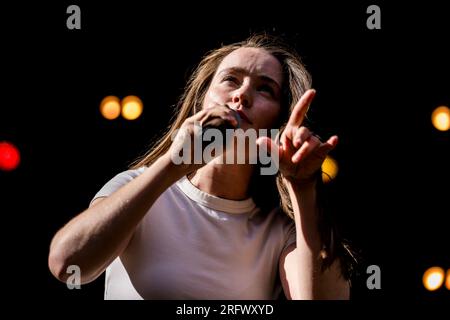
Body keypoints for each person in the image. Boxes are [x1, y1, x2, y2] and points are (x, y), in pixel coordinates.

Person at [48, 34, 354, 299]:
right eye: (230, 79)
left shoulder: (279, 229)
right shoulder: (137, 186)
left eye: (265, 89)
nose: (242, 95)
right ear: (201, 102)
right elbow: (68, 266)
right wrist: (174, 162)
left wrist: (303, 189)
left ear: (278, 121)